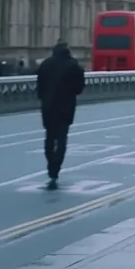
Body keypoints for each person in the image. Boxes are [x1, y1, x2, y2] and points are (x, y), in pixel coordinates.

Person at [35, 40, 86, 190]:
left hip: (48, 107)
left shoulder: (45, 64)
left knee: (49, 137)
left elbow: (39, 87)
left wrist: (44, 98)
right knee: (62, 138)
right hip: (65, 107)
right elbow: (78, 88)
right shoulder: (73, 65)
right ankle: (55, 170)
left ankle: (50, 165)